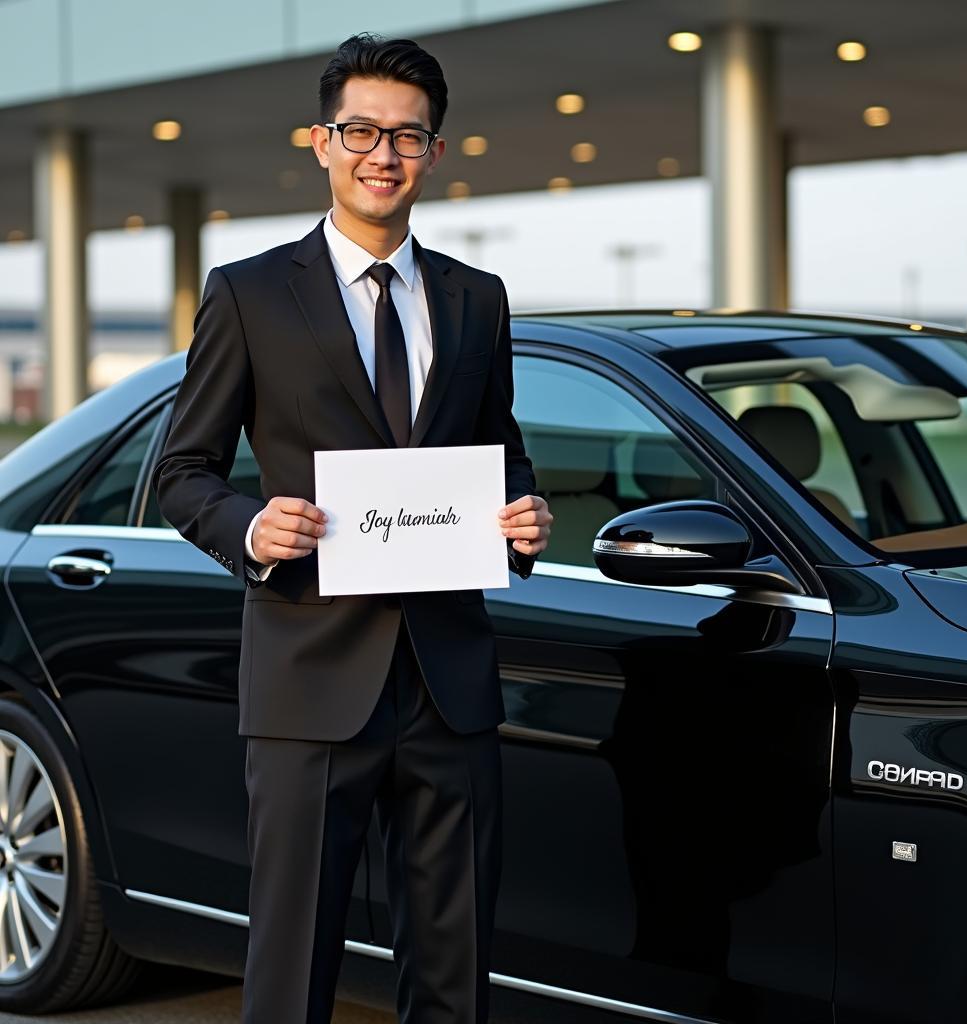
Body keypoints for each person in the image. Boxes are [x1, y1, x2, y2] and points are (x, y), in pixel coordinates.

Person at [152, 32, 552, 1024]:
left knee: (454, 980)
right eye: (361, 131)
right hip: (308, 678)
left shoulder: (475, 301)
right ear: (321, 142)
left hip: (448, 682)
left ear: (435, 153)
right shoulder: (248, 293)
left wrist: (524, 516)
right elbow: (180, 472)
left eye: (407, 137)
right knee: (291, 976)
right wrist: (250, 525)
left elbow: (496, 449)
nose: (384, 153)